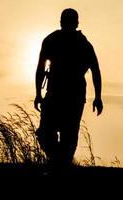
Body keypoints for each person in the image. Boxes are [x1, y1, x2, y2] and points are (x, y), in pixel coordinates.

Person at [34, 8, 103, 168]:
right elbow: (40, 68)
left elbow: (95, 71)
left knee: (68, 136)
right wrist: (38, 93)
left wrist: (98, 97)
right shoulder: (52, 40)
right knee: (47, 134)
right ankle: (60, 162)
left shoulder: (83, 44)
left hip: (73, 96)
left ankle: (60, 165)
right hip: (56, 95)